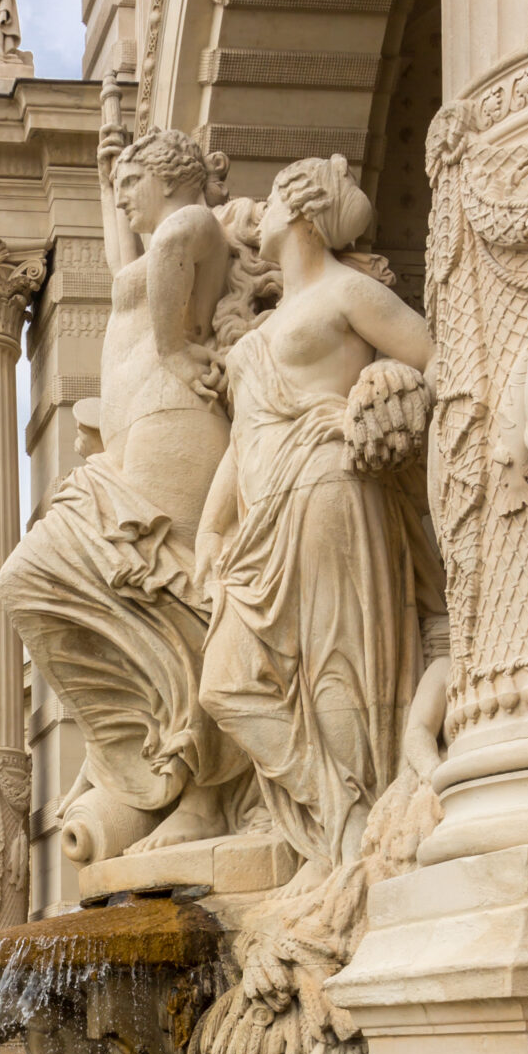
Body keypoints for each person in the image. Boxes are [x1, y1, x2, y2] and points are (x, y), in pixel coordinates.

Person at [0, 128, 262, 866]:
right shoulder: (149, 247)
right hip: (129, 444)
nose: (120, 196)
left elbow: (176, 242)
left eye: (130, 182)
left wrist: (178, 351)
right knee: (31, 579)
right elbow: (136, 260)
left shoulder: (191, 223)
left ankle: (204, 787)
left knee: (178, 603)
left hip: (174, 425)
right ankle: (150, 763)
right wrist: (107, 166)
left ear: (168, 176)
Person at [195, 155, 447, 868]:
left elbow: (437, 364)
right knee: (226, 683)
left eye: (272, 198)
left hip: (330, 486)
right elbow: (243, 437)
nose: (261, 211)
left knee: (337, 669)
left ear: (302, 210)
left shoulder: (349, 294)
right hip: (260, 513)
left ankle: (355, 839)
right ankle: (339, 809)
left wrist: (381, 376)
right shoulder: (258, 335)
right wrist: (214, 526)